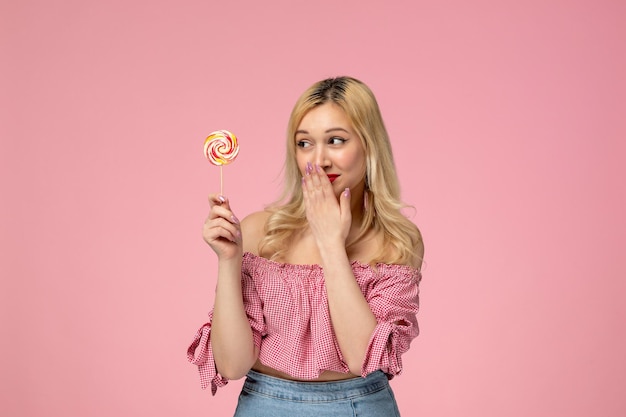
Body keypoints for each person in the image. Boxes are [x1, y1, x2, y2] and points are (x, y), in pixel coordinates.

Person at [187, 76, 424, 416]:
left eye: (336, 140)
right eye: (304, 144)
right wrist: (229, 260)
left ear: (369, 144)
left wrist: (331, 244)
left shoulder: (397, 242)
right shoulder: (259, 232)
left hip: (360, 406)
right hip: (264, 405)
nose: (320, 159)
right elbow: (231, 365)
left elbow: (363, 358)